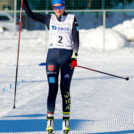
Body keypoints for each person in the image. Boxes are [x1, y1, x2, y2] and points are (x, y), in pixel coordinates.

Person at [23, 0, 79, 133]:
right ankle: (50, 122)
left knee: (65, 90)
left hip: (67, 59)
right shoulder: (49, 18)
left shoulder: (72, 19)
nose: (58, 10)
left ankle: (66, 122)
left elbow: (76, 39)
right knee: (52, 90)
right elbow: (30, 15)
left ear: (64, 6)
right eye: (55, 7)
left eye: (60, 7)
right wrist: (24, 3)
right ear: (53, 7)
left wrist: (75, 57)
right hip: (52, 59)